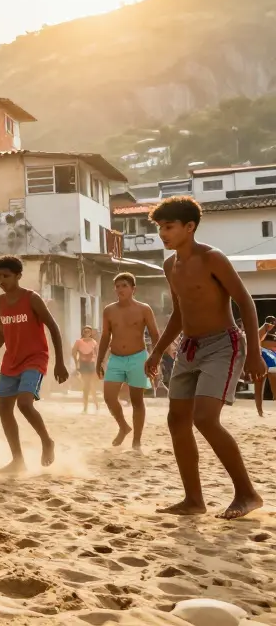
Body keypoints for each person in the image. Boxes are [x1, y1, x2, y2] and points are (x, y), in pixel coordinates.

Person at [144, 196, 264, 519]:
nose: (163, 234)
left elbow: (246, 302)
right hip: (189, 347)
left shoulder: (213, 258)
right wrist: (157, 351)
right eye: (160, 228)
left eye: (168, 227)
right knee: (176, 420)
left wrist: (254, 353)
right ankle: (193, 500)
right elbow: (179, 313)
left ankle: (247, 493)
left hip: (223, 345)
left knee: (205, 418)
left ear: (189, 227)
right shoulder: (170, 266)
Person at [0, 256, 66, 473]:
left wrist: (60, 362)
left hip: (35, 358)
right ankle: (18, 460)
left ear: (18, 276)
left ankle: (47, 441)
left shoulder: (32, 298)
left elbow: (53, 327)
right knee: (3, 407)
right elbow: (2, 332)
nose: (1, 280)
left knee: (25, 404)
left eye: (6, 276)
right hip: (11, 360)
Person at [96, 273, 161, 450]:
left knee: (137, 400)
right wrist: (99, 360)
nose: (120, 289)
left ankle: (137, 441)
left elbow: (155, 335)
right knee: (109, 398)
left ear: (133, 288)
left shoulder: (144, 309)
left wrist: (156, 359)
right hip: (116, 357)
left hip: (138, 357)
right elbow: (104, 336)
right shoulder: (109, 310)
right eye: (117, 286)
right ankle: (123, 427)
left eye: (124, 286)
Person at [72, 325, 100, 413]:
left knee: (92, 385)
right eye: (85, 331)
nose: (86, 333)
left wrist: (98, 365)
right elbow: (73, 352)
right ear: (82, 332)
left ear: (91, 333)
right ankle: (86, 407)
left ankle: (95, 404)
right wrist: (76, 363)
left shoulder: (94, 342)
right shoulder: (79, 342)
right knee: (86, 386)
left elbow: (98, 354)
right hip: (83, 365)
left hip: (91, 365)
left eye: (88, 331)